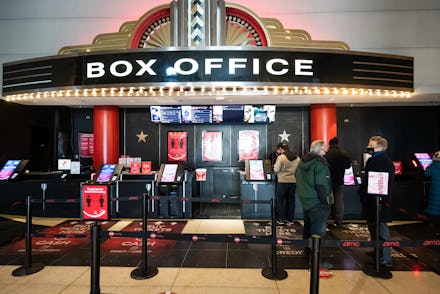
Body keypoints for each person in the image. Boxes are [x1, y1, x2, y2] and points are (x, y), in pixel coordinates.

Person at [359, 135, 395, 279]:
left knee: (381, 229)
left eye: (371, 144)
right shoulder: (378, 160)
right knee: (374, 227)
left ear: (379, 147)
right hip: (373, 201)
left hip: (379, 202)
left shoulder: (380, 162)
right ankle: (377, 251)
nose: (368, 146)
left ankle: (385, 258)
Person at [295, 140, 333, 269]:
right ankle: (316, 260)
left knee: (308, 229)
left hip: (306, 201)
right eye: (324, 151)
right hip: (317, 203)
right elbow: (322, 186)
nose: (325, 153)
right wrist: (326, 202)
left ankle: (307, 253)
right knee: (318, 232)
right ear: (318, 150)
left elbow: (298, 178)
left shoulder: (302, 161)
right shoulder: (320, 164)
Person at [325, 137, 352, 226]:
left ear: (330, 144)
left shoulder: (327, 154)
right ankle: (338, 219)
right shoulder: (344, 154)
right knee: (338, 199)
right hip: (339, 179)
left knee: (328, 199)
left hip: (327, 179)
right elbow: (348, 166)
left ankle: (327, 218)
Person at [273, 142, 299, 226]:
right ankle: (290, 220)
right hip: (293, 182)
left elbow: (276, 169)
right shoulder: (297, 158)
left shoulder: (281, 157)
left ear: (281, 149)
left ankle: (280, 219)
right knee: (291, 201)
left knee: (280, 201)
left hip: (282, 182)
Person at [424, 151, 440, 216]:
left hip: (434, 187)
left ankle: (433, 214)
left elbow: (426, 174)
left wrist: (429, 165)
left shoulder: (433, 166)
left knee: (434, 200)